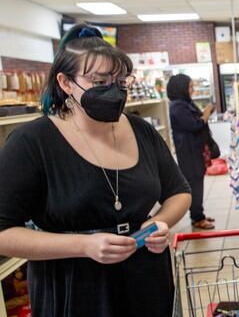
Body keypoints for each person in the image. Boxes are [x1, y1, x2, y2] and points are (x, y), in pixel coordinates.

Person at [0, 24, 192, 316]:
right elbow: (3, 232)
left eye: (121, 82)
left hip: (146, 283)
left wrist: (161, 223)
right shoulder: (32, 143)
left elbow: (179, 191)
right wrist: (84, 245)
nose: (113, 91)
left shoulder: (141, 131)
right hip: (74, 288)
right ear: (65, 83)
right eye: (100, 81)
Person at [167, 74, 216, 230]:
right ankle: (197, 218)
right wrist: (206, 113)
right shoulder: (178, 106)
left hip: (194, 151)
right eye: (189, 86)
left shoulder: (184, 103)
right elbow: (194, 125)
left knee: (197, 183)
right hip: (189, 153)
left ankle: (198, 214)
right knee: (195, 184)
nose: (192, 90)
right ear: (181, 88)